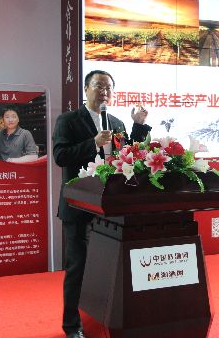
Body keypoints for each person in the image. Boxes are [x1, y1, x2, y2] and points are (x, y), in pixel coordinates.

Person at [52, 70, 151, 338]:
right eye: (98, 86)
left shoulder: (116, 122)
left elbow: (130, 155)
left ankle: (101, 320)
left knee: (107, 269)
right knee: (78, 268)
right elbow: (60, 156)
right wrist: (92, 143)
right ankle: (72, 326)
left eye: (108, 87)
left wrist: (138, 126)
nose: (104, 91)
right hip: (78, 206)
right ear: (86, 89)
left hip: (109, 208)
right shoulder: (68, 120)